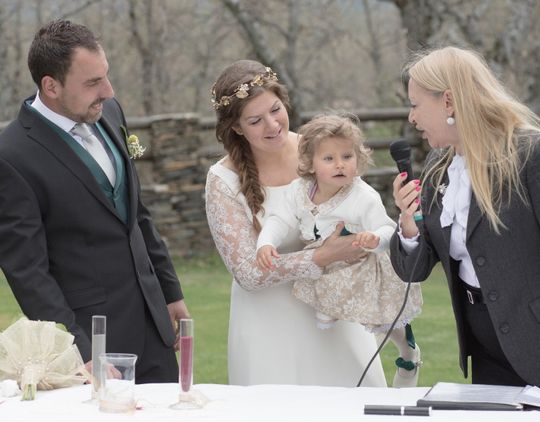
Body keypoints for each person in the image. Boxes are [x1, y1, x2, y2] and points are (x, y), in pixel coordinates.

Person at [390, 46, 540, 398]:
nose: (412, 118)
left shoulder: (535, 155)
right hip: (485, 350)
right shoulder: (437, 169)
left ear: (449, 102)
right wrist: (407, 224)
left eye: (416, 105)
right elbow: (414, 270)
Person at [0, 20, 189, 383]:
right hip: (95, 341)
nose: (108, 90)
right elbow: (28, 273)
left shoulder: (109, 112)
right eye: (92, 83)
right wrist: (78, 351)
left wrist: (169, 292)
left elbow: (138, 216)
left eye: (106, 76)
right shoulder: (11, 156)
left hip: (155, 325)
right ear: (50, 86)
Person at [205, 60, 386, 387]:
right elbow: (247, 272)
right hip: (268, 326)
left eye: (275, 110)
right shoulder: (223, 180)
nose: (272, 125)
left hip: (335, 313)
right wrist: (321, 256)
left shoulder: (319, 152)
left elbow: (360, 210)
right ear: (236, 128)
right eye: (255, 120)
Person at [256, 114, 423, 387]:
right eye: (329, 159)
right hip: (328, 265)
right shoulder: (298, 191)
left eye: (347, 156)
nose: (340, 165)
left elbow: (386, 228)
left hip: (363, 264)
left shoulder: (362, 195)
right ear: (310, 162)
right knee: (324, 284)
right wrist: (266, 242)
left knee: (384, 316)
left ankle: (408, 349)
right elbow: (279, 219)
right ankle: (330, 307)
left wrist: (373, 238)